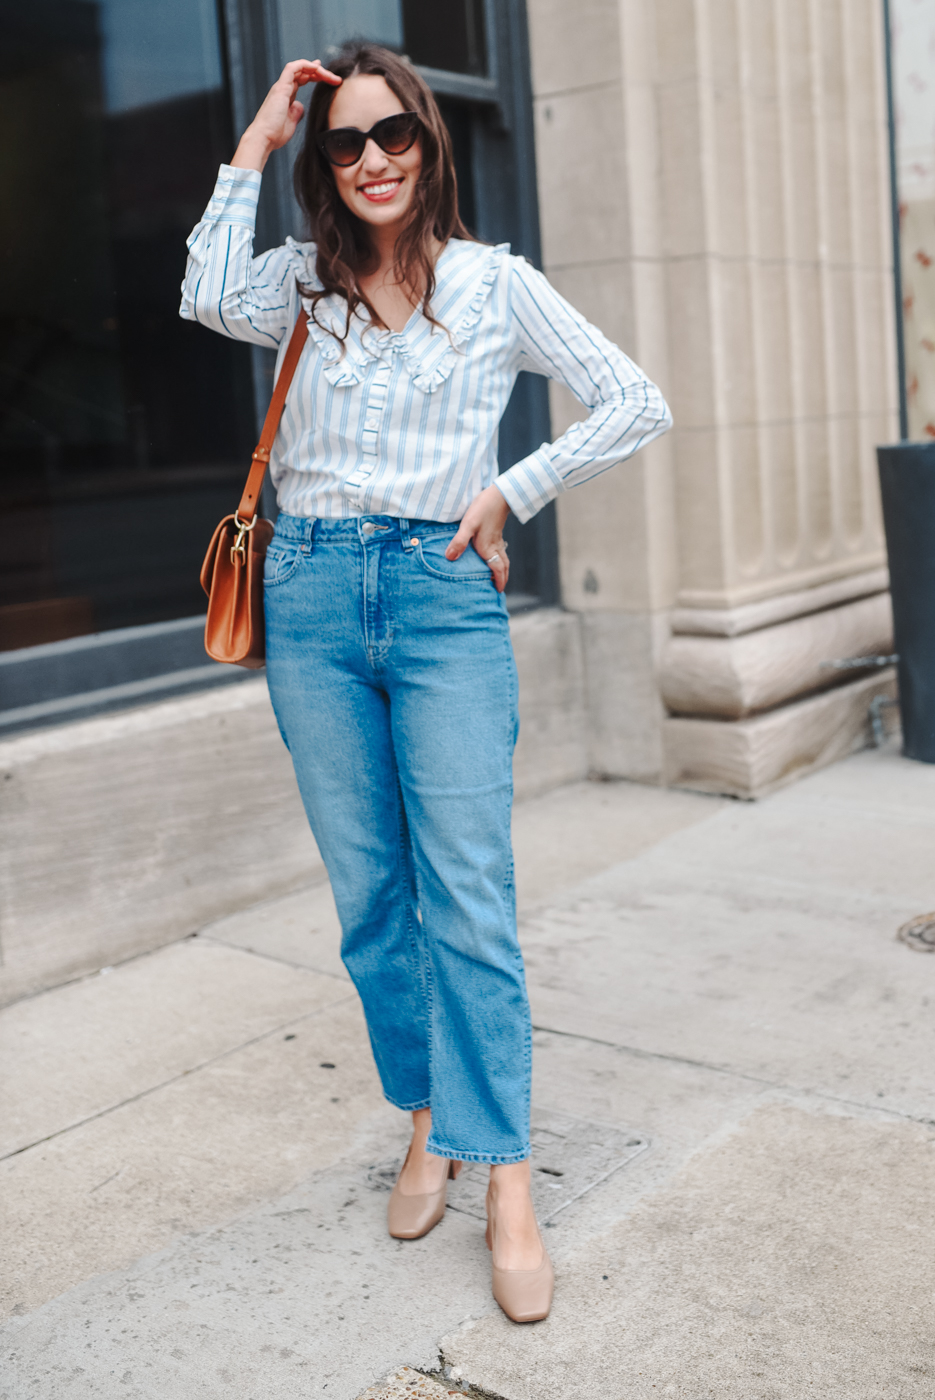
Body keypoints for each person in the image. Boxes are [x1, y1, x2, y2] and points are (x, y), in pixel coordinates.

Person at [180, 40, 671, 1324]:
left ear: (429, 142)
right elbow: (199, 292)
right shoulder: (299, 285)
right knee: (367, 895)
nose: (371, 161)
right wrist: (254, 147)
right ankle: (427, 1121)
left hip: (444, 598)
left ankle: (503, 1171)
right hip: (308, 596)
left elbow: (633, 399)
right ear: (324, 165)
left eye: (390, 134)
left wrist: (511, 488)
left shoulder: (494, 284)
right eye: (344, 144)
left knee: (467, 888)